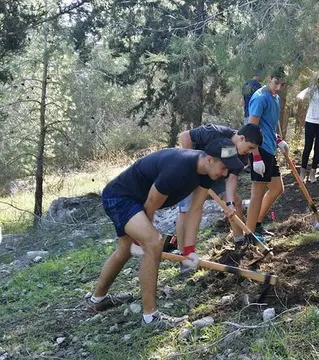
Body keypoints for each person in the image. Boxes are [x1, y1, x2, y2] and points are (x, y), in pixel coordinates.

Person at [86, 143, 244, 329]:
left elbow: (195, 209)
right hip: (121, 197)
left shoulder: (206, 171)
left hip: (134, 200)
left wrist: (189, 250)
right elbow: (151, 204)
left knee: (125, 250)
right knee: (154, 242)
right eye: (224, 167)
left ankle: (97, 299)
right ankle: (150, 317)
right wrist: (142, 241)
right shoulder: (178, 169)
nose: (225, 174)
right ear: (209, 159)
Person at [174, 123, 263, 273]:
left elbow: (232, 179)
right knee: (187, 210)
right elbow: (184, 136)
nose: (250, 152)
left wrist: (229, 203)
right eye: (250, 147)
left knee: (236, 202)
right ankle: (184, 257)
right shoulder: (214, 132)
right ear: (241, 138)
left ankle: (240, 242)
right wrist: (192, 167)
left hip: (218, 173)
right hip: (193, 170)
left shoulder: (242, 156)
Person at [246, 67, 290, 237]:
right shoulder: (260, 98)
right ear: (269, 78)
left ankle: (256, 223)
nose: (278, 87)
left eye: (282, 84)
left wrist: (279, 140)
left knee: (277, 188)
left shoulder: (275, 97)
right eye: (275, 83)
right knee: (257, 193)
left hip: (270, 148)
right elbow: (251, 129)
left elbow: (269, 126)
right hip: (260, 150)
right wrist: (256, 156)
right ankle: (249, 235)